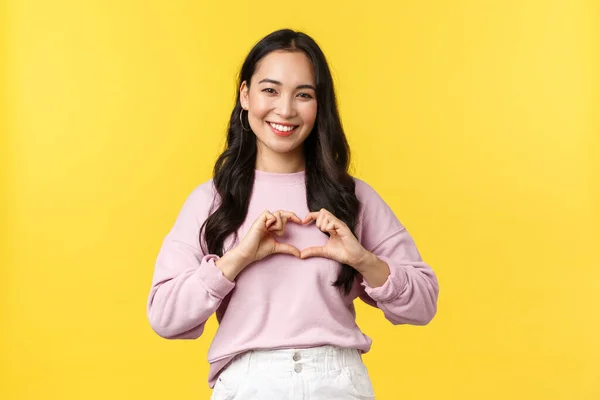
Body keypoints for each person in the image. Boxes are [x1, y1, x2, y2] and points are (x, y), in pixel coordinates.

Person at [146, 28, 439, 400]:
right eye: (270, 90)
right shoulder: (212, 200)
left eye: (303, 94)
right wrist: (237, 259)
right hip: (248, 383)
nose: (285, 110)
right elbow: (165, 317)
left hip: (337, 382)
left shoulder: (352, 197)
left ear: (320, 105)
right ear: (245, 95)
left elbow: (424, 304)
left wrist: (363, 261)